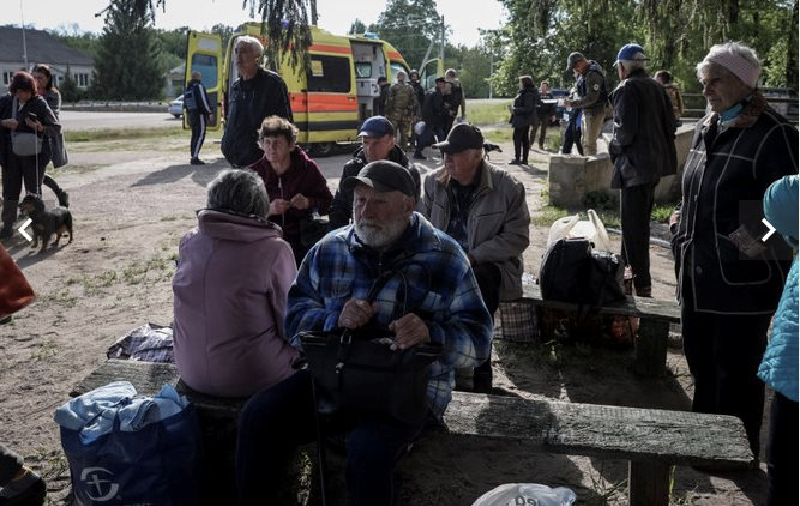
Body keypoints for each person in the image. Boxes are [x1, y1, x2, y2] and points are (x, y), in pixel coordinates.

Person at [235, 160, 493, 505]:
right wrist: (332, 319)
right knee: (258, 415)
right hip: (334, 378)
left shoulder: (446, 256)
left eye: (379, 202)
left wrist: (431, 333)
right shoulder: (329, 248)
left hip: (407, 392)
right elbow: (293, 320)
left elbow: (479, 342)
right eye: (359, 200)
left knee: (367, 449)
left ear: (408, 205)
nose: (365, 211)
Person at [669, 41, 797, 462]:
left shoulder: (775, 135)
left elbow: (786, 212)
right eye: (703, 83)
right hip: (695, 273)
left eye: (715, 81)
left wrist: (741, 244)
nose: (706, 91)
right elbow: (699, 190)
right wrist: (681, 217)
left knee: (736, 371)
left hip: (742, 282)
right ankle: (705, 448)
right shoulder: (710, 126)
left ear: (744, 83)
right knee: (701, 365)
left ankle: (737, 456)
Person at [422, 123, 531, 393]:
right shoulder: (433, 182)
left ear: (476, 155)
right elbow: (420, 226)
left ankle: (480, 368)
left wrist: (473, 256)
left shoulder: (507, 187)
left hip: (487, 265)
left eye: (454, 153)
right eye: (445, 152)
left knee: (480, 282)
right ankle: (434, 368)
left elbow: (517, 238)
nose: (446, 158)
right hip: (445, 261)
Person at [173, 169, 299, 398]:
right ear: (260, 206)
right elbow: (290, 324)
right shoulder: (274, 249)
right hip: (252, 376)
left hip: (189, 370)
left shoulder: (189, 241)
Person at [609, 43, 677, 298]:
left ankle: (642, 286)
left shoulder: (626, 88)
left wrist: (612, 149)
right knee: (635, 226)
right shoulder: (658, 88)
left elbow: (622, 134)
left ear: (623, 67)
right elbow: (671, 125)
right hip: (654, 167)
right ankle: (623, 278)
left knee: (634, 229)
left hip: (634, 168)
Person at [758, 175, 798, 506]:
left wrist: (738, 244)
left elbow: (778, 202)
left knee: (784, 469)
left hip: (794, 377)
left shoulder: (772, 138)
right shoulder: (708, 134)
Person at [249, 116, 333, 266]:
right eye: (267, 142)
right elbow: (239, 214)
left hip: (302, 244)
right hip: (263, 244)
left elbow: (329, 203)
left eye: (278, 143)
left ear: (291, 145)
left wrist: (308, 203)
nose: (272, 148)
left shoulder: (307, 169)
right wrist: (267, 210)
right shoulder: (253, 174)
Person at [0, 72, 60, 240]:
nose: (23, 95)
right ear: (14, 90)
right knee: (10, 191)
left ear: (32, 91)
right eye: (19, 92)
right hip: (10, 155)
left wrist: (40, 127)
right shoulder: (5, 102)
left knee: (33, 192)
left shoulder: (40, 104)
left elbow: (55, 127)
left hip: (34, 155)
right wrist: (3, 123)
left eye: (27, 92)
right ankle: (8, 226)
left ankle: (38, 226)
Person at [329, 116, 417, 229]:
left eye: (376, 143)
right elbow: (338, 208)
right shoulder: (351, 169)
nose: (369, 149)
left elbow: (412, 215)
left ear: (391, 143)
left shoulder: (408, 173)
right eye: (365, 142)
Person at [221, 36, 292, 168]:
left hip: (261, 165)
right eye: (236, 51)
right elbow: (229, 121)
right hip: (235, 162)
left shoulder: (273, 84)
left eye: (243, 51)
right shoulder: (235, 87)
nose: (238, 56)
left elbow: (285, 125)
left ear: (257, 56)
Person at [31, 64, 68, 207]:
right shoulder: (29, 93)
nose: (37, 81)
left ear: (48, 78)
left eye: (40, 78)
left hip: (48, 137)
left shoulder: (53, 94)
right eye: (34, 78)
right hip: (30, 138)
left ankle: (36, 207)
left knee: (37, 173)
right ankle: (59, 192)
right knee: (34, 173)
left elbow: (53, 115)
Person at [564, 52, 609, 156]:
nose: (575, 70)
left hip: (595, 112)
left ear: (580, 62)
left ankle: (591, 169)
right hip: (587, 111)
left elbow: (592, 98)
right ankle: (587, 166)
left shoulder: (593, 74)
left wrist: (572, 104)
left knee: (590, 144)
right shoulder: (585, 74)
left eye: (575, 67)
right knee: (585, 142)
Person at [414, 77, 448, 160]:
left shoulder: (431, 92)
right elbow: (437, 107)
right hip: (433, 119)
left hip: (430, 118)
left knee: (440, 134)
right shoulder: (437, 93)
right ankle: (418, 152)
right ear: (440, 84)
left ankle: (443, 154)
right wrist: (445, 108)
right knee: (426, 135)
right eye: (443, 83)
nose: (444, 85)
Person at [184, 70, 213, 165]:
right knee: (200, 135)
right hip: (200, 114)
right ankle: (195, 157)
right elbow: (203, 101)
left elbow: (186, 103)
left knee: (194, 135)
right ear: (198, 77)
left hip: (192, 115)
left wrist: (189, 113)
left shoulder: (188, 88)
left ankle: (193, 155)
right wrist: (209, 112)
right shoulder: (198, 86)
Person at [384, 70, 417, 152]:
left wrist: (387, 113)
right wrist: (409, 110)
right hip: (405, 114)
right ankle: (404, 149)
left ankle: (393, 149)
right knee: (404, 134)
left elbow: (389, 101)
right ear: (404, 78)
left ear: (397, 77)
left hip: (394, 114)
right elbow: (414, 101)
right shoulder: (410, 88)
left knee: (393, 133)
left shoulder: (393, 87)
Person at [509, 75, 539, 165]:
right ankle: (524, 159)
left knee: (518, 138)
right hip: (523, 119)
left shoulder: (528, 93)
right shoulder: (525, 92)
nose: (519, 84)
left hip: (523, 119)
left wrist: (515, 110)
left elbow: (528, 108)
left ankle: (518, 158)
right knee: (524, 139)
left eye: (520, 82)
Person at [530, 80, 555, 151]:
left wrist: (553, 115)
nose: (543, 88)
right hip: (537, 113)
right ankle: (530, 143)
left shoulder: (549, 95)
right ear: (540, 87)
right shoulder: (537, 94)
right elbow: (533, 103)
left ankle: (541, 144)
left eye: (545, 86)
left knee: (543, 130)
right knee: (534, 128)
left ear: (547, 87)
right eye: (542, 86)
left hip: (546, 114)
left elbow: (552, 106)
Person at [443, 68, 466, 134]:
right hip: (454, 110)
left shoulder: (446, 84)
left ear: (448, 75)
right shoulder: (458, 84)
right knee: (448, 127)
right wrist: (463, 113)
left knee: (443, 128)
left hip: (445, 109)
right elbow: (462, 100)